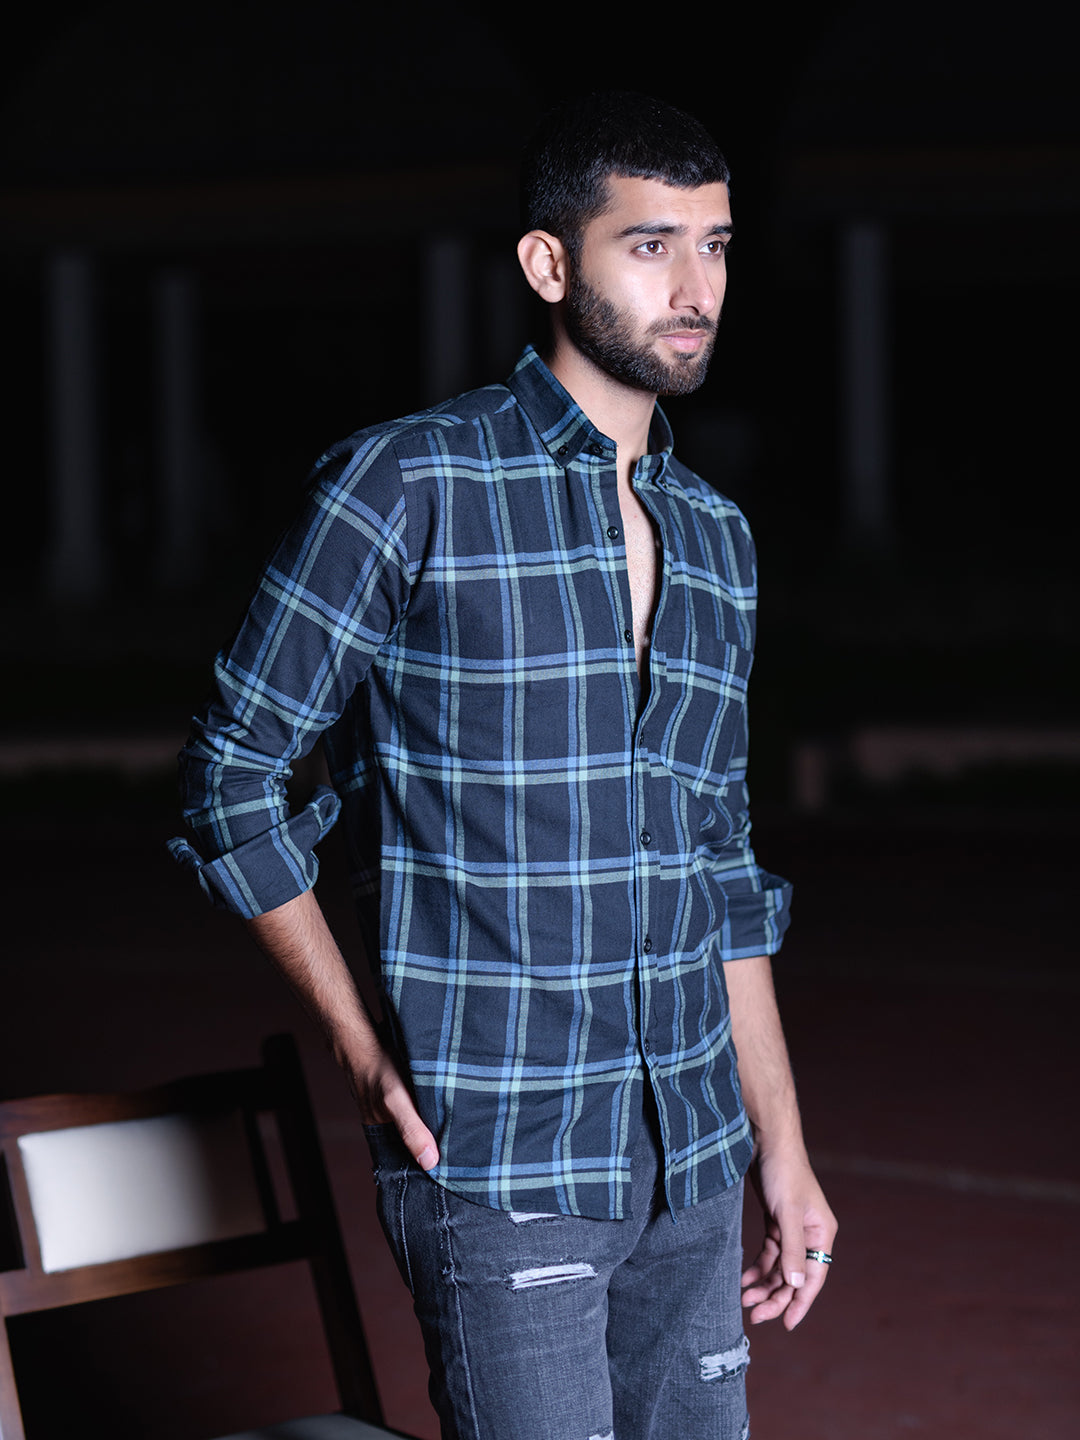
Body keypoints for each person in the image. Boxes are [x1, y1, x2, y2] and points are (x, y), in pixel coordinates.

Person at [171, 90, 837, 1440]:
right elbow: (232, 775)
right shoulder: (407, 486)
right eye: (649, 245)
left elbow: (720, 865)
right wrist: (360, 1047)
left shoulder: (718, 538)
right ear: (549, 263)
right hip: (500, 1155)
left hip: (694, 1157)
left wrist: (783, 1145)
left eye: (714, 246)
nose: (695, 288)